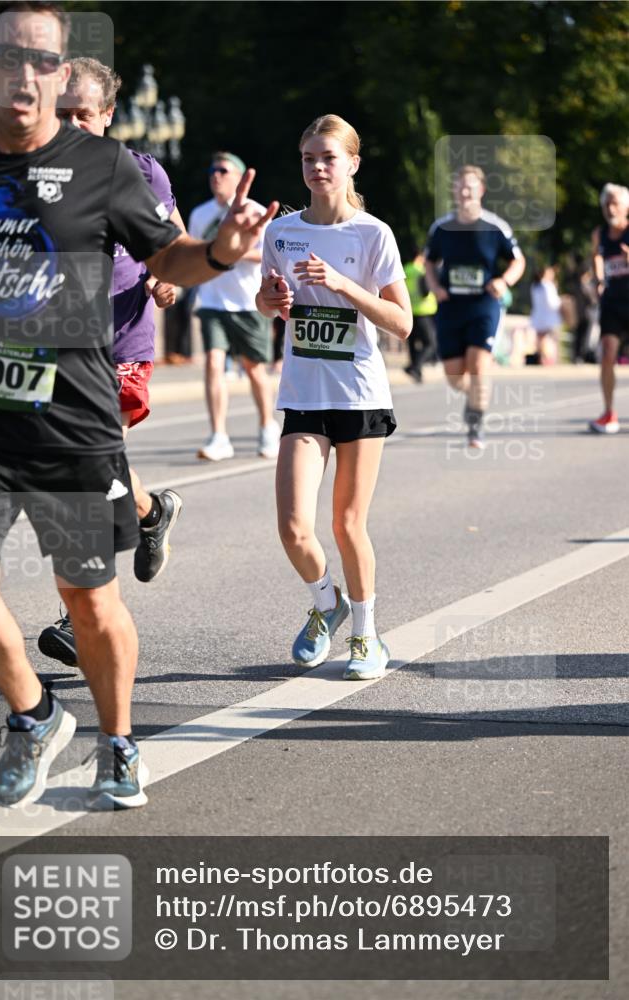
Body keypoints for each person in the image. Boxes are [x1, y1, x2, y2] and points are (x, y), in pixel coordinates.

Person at [0, 1, 277, 810]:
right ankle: (35, 715)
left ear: (61, 73)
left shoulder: (103, 166)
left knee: (87, 600)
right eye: (10, 57)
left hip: (70, 425)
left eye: (43, 61)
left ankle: (118, 741)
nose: (26, 75)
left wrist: (218, 253)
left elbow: (165, 255)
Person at [35, 56, 184, 669]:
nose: (71, 124)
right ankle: (151, 511)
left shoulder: (140, 170)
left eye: (82, 114)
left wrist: (168, 279)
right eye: (61, 113)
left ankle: (79, 618)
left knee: (84, 469)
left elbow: (172, 241)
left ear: (107, 115)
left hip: (121, 344)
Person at [256, 115, 412, 681]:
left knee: (347, 524)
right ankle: (328, 603)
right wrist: (272, 299)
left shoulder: (373, 234)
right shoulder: (280, 232)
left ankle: (366, 636)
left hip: (359, 396)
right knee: (293, 526)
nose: (317, 167)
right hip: (304, 392)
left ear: (352, 164)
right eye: (308, 158)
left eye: (328, 157)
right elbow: (266, 302)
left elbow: (403, 322)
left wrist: (343, 285)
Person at [424, 164, 525, 448]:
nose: (465, 192)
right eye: (460, 187)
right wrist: (435, 287)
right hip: (451, 306)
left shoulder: (495, 226)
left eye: (470, 187)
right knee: (455, 377)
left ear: (481, 190)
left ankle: (475, 425)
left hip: (484, 305)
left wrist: (504, 281)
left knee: (479, 365)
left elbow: (518, 261)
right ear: (455, 191)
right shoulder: (441, 227)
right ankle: (475, 396)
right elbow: (429, 261)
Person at [188, 152, 281, 461]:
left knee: (254, 370)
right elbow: (193, 250)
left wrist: (230, 252)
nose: (215, 175)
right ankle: (218, 435)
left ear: (240, 178)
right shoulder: (200, 214)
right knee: (214, 364)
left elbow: (268, 256)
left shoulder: (256, 212)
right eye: (212, 170)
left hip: (248, 302)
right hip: (212, 300)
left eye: (223, 171)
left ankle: (267, 427)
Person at [589, 183, 629, 434]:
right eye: (606, 204)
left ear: (626, 207)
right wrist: (599, 280)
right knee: (607, 354)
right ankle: (608, 412)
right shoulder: (600, 233)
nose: (610, 209)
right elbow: (596, 255)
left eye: (615, 203)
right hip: (612, 303)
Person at [402, 241, 437, 383]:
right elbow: (426, 291)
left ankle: (416, 371)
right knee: (430, 344)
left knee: (412, 343)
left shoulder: (404, 270)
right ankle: (415, 366)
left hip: (409, 312)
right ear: (419, 256)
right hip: (423, 311)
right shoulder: (422, 271)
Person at [530, 265, 561, 365]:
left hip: (538, 317)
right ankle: (548, 359)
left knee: (540, 339)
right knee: (550, 340)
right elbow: (552, 303)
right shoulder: (548, 286)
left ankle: (541, 358)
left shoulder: (535, 286)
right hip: (549, 319)